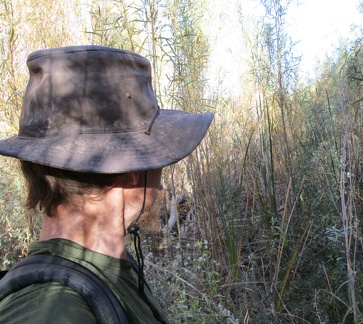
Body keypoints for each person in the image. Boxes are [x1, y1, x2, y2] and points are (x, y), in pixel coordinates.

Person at [0, 45, 214, 323]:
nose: (161, 186)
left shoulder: (109, 270)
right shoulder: (53, 311)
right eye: (159, 158)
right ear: (134, 169)